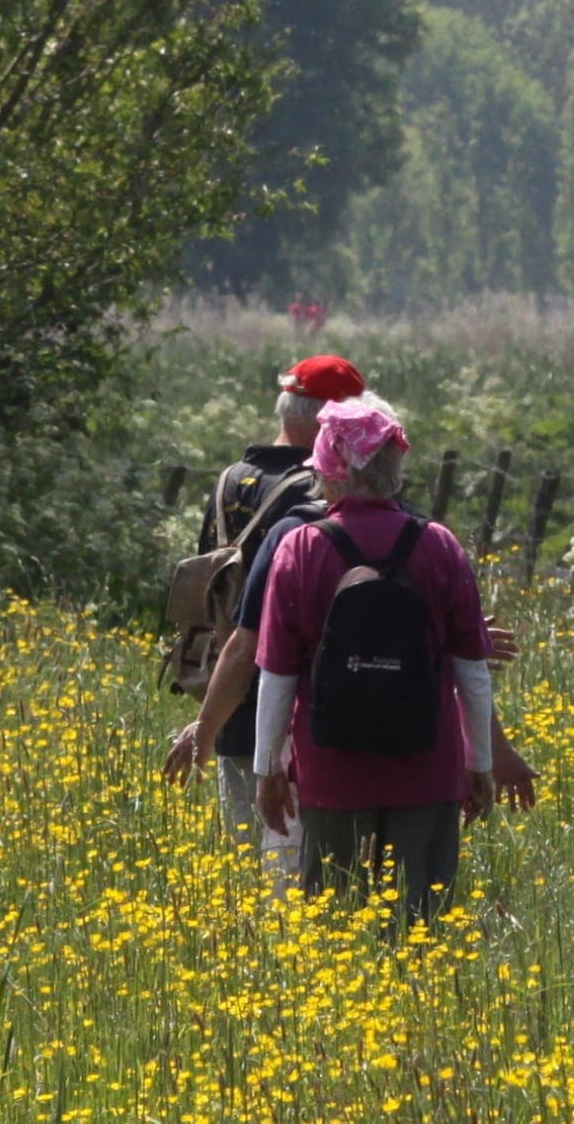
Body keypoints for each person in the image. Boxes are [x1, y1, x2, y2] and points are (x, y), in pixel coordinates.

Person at [252, 396, 498, 921]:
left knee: (334, 927)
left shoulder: (300, 548)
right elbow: (472, 670)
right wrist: (478, 762)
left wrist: (268, 768)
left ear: (332, 473)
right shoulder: (440, 545)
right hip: (427, 767)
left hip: (330, 768)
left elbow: (277, 674)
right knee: (418, 929)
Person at [190, 353, 366, 858]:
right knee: (297, 866)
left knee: (246, 864)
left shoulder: (230, 479)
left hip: (229, 700)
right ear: (330, 418)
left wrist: (206, 717)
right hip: (290, 707)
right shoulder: (317, 491)